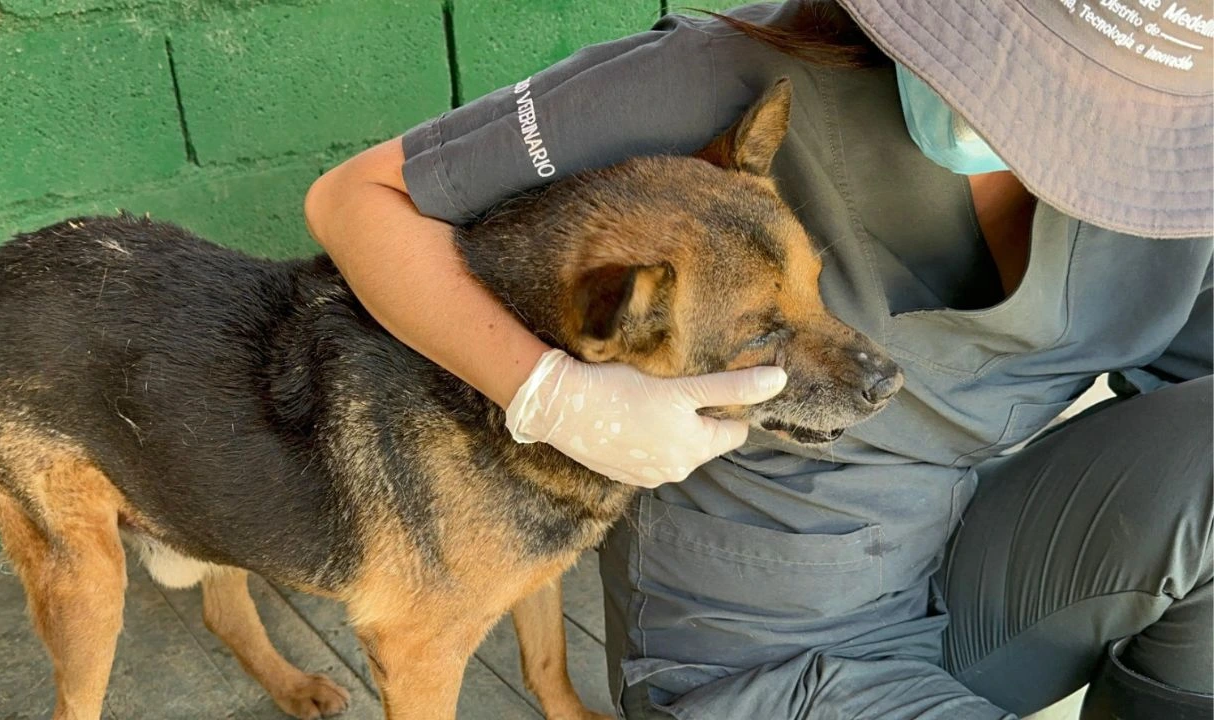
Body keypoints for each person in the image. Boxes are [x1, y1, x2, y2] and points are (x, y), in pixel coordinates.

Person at [303, 1, 1214, 718]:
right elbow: (358, 200)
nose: (1037, 120)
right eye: (1027, 70)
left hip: (985, 546)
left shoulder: (1180, 170)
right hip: (769, 623)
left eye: (1097, 113)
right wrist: (544, 390)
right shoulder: (720, 81)